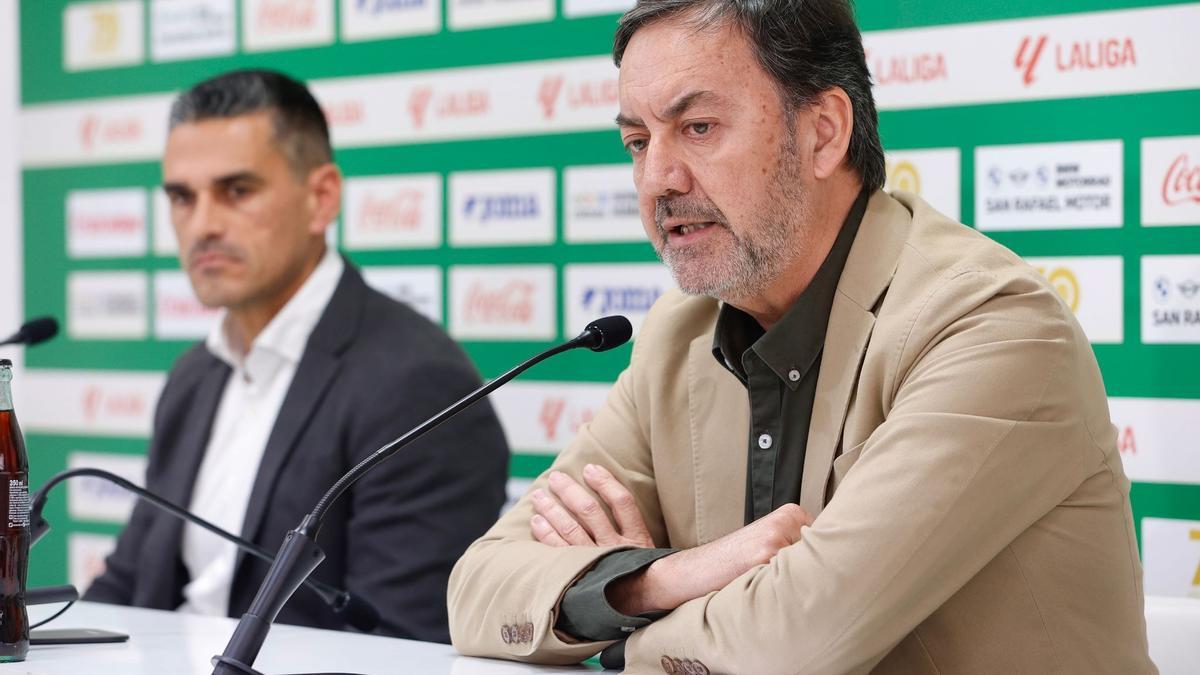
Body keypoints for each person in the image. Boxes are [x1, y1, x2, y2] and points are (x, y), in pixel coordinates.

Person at [447, 2, 1155, 672]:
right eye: (638, 140)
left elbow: (799, 642)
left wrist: (612, 634)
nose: (657, 179)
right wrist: (649, 583)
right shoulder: (678, 333)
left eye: (697, 128)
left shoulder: (991, 326)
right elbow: (478, 587)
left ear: (823, 132)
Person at [84, 69, 509, 643]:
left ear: (321, 197)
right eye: (182, 198)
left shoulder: (417, 382)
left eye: (237, 191)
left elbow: (404, 644)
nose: (202, 224)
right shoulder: (193, 377)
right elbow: (129, 582)